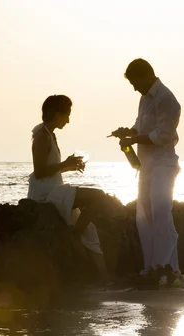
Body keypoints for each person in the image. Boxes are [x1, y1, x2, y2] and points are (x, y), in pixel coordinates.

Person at [111, 58, 184, 287]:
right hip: (146, 167)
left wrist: (134, 139)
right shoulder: (144, 99)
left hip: (164, 165)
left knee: (161, 211)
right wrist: (128, 132)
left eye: (134, 82)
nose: (134, 87)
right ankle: (155, 268)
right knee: (144, 216)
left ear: (145, 76)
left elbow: (162, 136)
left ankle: (165, 268)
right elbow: (141, 126)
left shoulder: (167, 100)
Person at [28, 94, 110, 284]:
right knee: (99, 197)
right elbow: (39, 172)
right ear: (57, 113)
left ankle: (105, 278)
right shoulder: (41, 137)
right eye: (67, 114)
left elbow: (49, 169)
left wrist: (69, 166)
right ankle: (74, 236)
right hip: (46, 193)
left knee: (89, 227)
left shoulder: (49, 134)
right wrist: (64, 163)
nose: (68, 119)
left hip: (54, 189)